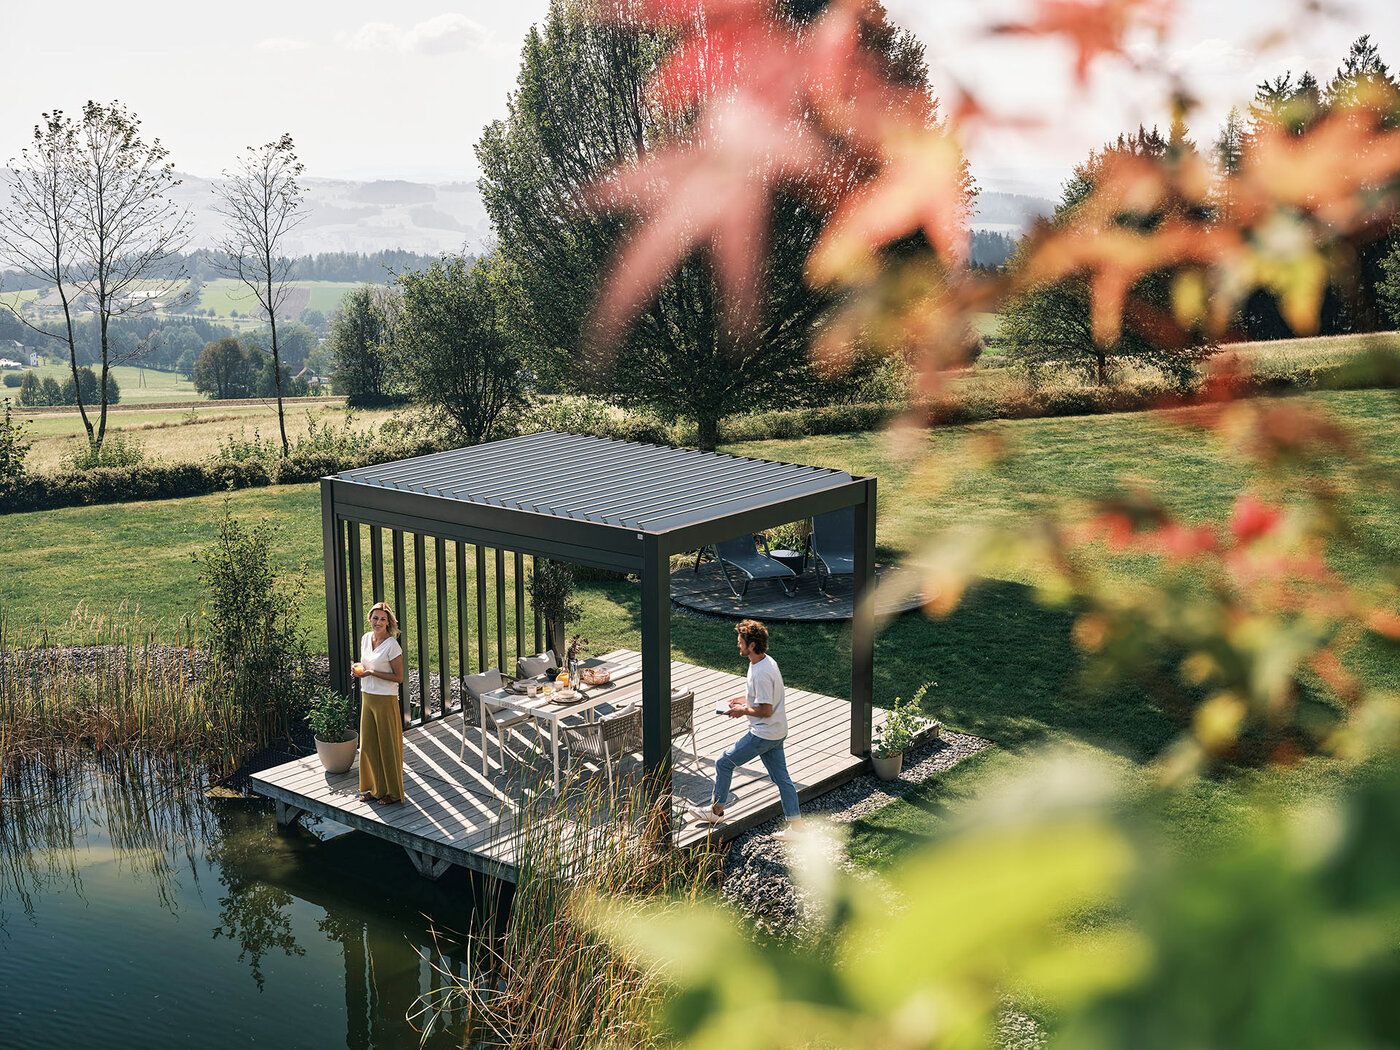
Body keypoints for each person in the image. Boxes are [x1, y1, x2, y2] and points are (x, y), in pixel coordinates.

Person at [687, 618, 800, 827]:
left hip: (763, 734)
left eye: (741, 642)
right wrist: (742, 700)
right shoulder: (764, 662)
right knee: (782, 780)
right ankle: (796, 826)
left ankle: (716, 811)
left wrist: (742, 711)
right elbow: (763, 698)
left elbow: (765, 710)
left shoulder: (761, 673)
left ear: (752, 645)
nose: (738, 644)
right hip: (777, 731)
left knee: (723, 762)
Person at [352, 601, 406, 805]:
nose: (378, 622)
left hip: (385, 699)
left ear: (388, 622)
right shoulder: (366, 638)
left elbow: (399, 677)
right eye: (375, 618)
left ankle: (393, 792)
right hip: (367, 696)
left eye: (383, 619)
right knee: (368, 745)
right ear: (370, 619)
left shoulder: (392, 645)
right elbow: (365, 664)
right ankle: (373, 789)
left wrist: (372, 672)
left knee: (387, 745)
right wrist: (358, 668)